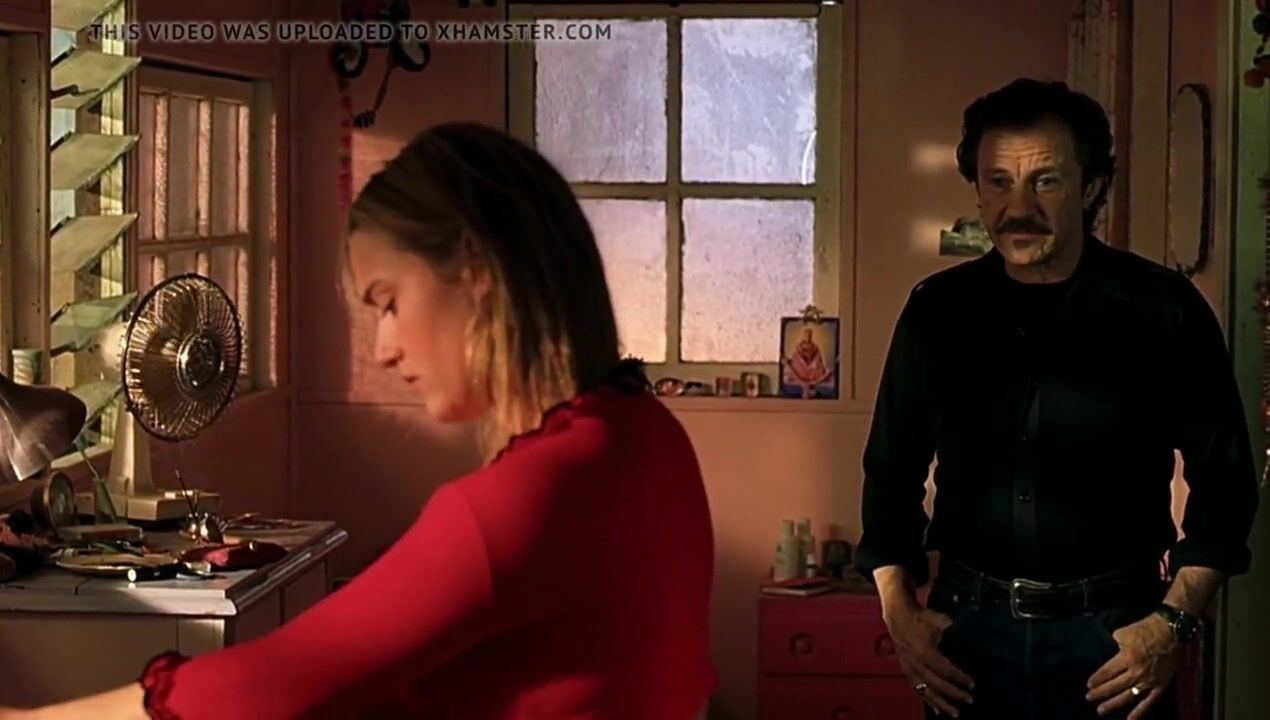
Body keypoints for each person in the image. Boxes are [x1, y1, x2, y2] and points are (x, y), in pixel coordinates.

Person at [4, 122, 716, 719]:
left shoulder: (522, 501)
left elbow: (266, 685)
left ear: (475, 268)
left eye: (389, 302)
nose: (384, 348)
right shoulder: (646, 436)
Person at [854, 78, 1259, 720]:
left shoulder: (1164, 311)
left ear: (1092, 186)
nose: (1018, 208)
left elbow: (1227, 483)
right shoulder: (937, 313)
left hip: (1116, 641)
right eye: (997, 183)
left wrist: (1172, 623)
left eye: (1045, 181)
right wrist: (899, 613)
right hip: (968, 636)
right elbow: (890, 471)